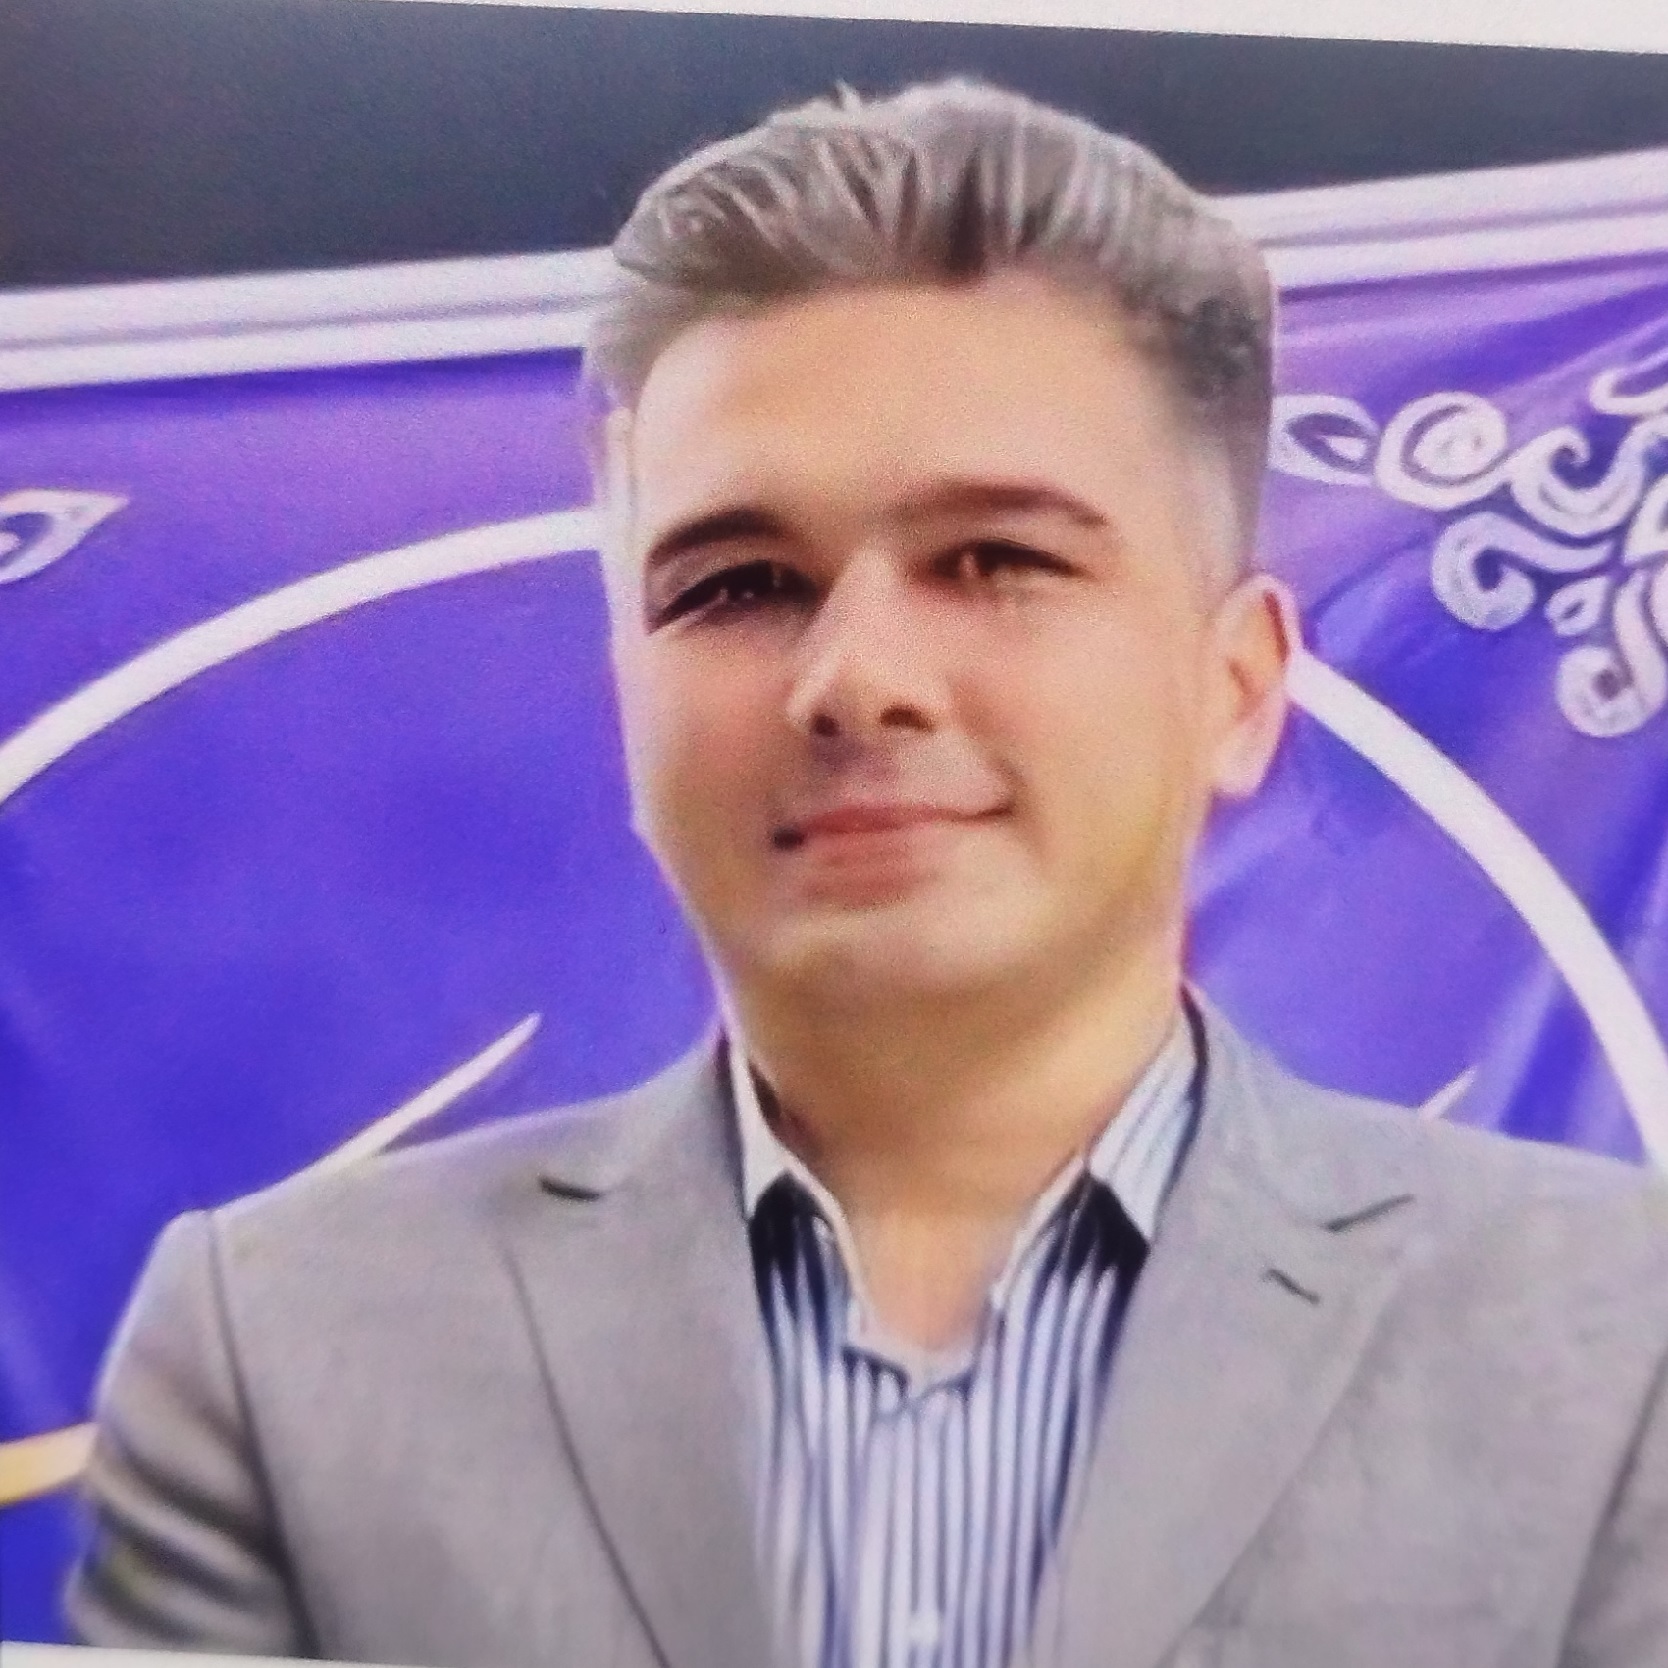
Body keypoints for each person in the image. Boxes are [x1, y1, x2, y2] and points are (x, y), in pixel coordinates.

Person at [67, 80, 1668, 1668]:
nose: (855, 680)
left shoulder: (1614, 1352)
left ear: (1235, 688)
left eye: (997, 559)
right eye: (738, 584)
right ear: (628, 696)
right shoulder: (284, 1350)